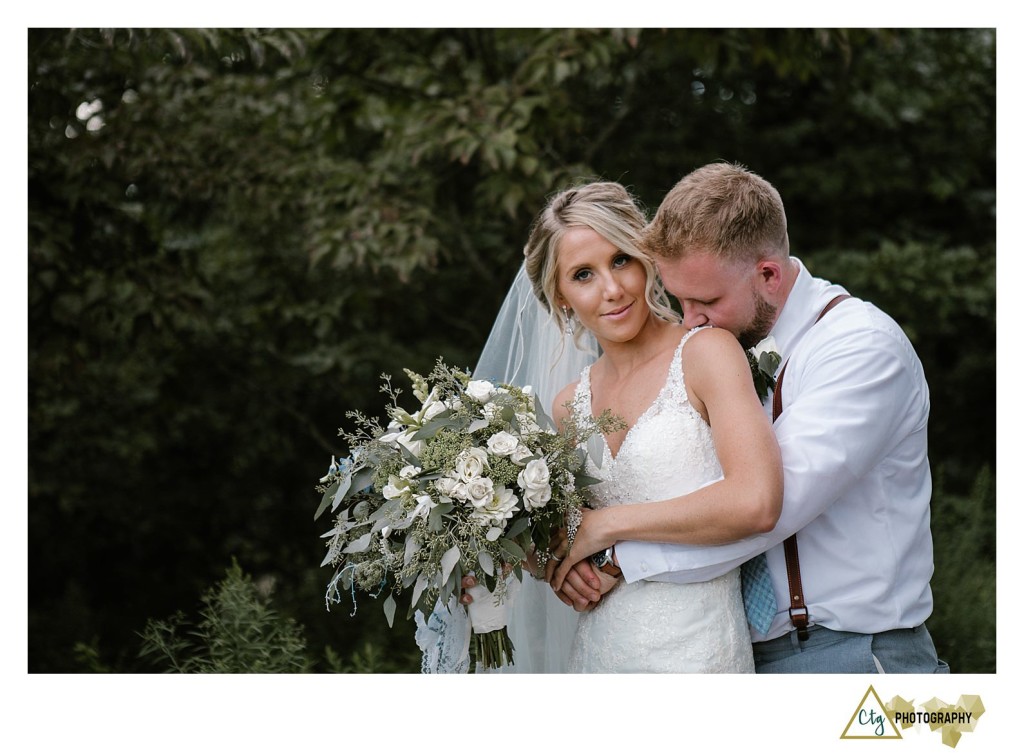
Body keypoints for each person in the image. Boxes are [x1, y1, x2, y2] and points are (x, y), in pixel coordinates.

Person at [551, 162, 948, 673]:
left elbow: (767, 508)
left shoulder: (860, 348)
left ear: (767, 275)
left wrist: (614, 554)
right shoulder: (726, 348)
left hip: (847, 652)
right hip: (735, 652)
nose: (689, 319)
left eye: (706, 301)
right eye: (680, 299)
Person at [506, 180, 782, 672]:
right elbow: (566, 534)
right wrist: (556, 570)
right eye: (583, 275)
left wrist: (606, 526)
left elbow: (755, 501)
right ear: (561, 295)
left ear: (646, 258)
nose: (612, 290)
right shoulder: (569, 405)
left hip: (697, 653)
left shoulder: (706, 353)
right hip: (600, 653)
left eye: (620, 261)